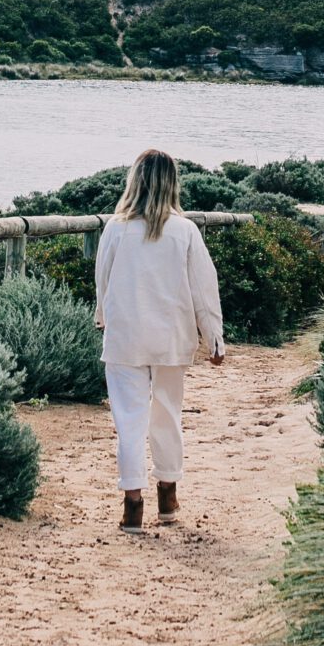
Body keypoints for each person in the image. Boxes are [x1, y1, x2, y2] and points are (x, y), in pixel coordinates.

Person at [94, 149, 225, 533]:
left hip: (126, 337)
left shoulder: (115, 228)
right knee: (168, 413)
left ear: (134, 180)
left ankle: (132, 503)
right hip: (171, 336)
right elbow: (205, 288)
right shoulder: (185, 230)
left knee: (129, 419)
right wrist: (213, 337)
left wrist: (103, 317)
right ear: (172, 183)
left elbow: (103, 281)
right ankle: (167, 493)